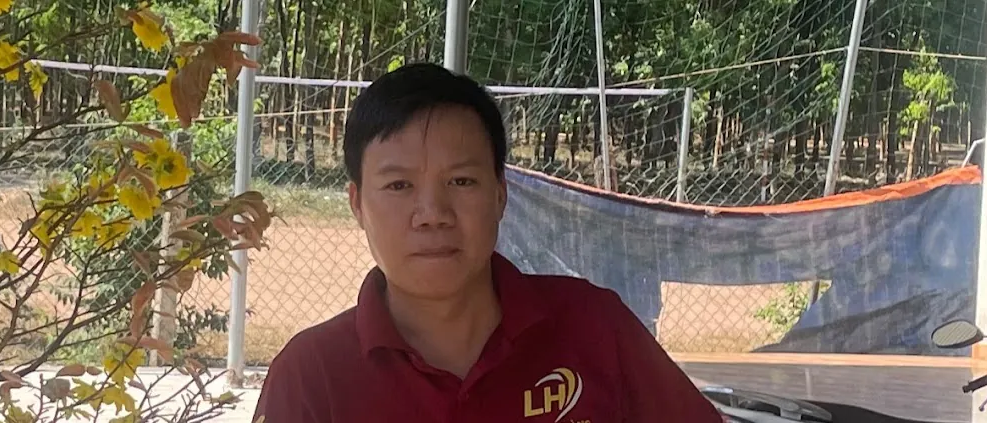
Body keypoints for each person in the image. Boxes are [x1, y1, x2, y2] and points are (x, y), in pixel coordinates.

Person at [254, 64, 727, 423]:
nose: (432, 213)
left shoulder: (595, 328)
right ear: (357, 204)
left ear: (500, 194)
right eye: (399, 186)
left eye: (461, 181)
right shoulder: (312, 375)